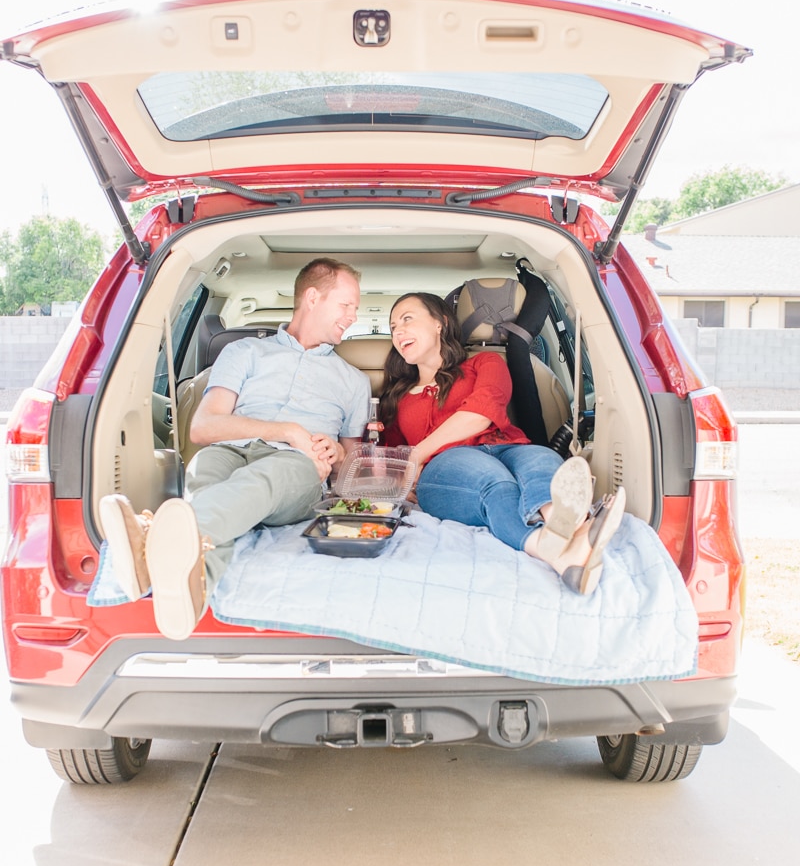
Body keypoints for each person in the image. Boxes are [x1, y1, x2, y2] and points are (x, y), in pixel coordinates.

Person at [100, 258, 371, 639]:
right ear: (312, 298)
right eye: (347, 305)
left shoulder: (353, 382)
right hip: (227, 452)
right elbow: (203, 427)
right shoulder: (244, 353)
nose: (353, 316)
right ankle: (190, 595)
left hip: (298, 466)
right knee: (204, 473)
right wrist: (288, 429)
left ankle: (152, 540)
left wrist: (339, 454)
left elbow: (352, 467)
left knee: (266, 477)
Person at [381, 292, 626, 594]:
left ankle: (564, 527)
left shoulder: (486, 363)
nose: (398, 331)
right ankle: (552, 547)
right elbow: (391, 458)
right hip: (446, 468)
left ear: (440, 323)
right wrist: (406, 472)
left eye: (407, 319)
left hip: (506, 446)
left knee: (541, 459)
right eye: (393, 327)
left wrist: (418, 452)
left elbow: (481, 413)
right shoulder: (397, 396)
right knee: (495, 483)